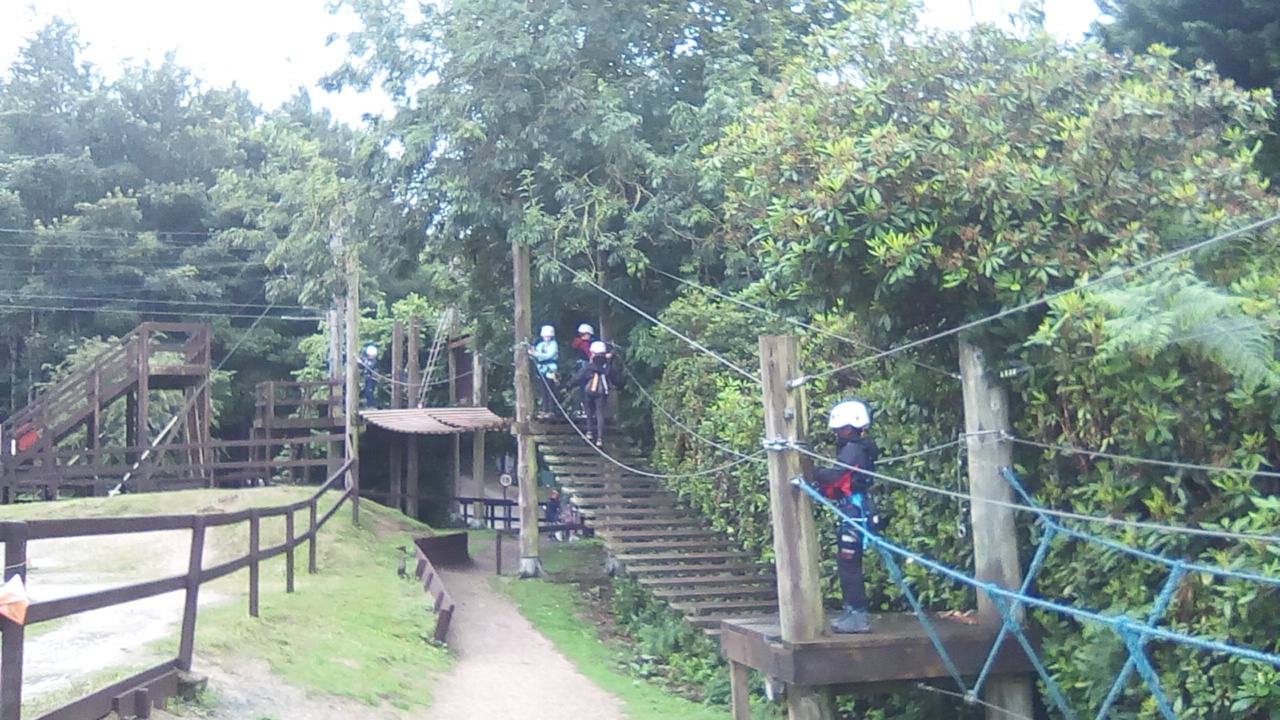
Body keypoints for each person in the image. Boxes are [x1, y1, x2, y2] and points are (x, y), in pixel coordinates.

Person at [811, 399, 880, 634]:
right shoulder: (860, 448)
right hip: (855, 509)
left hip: (855, 512)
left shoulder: (853, 449)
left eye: (840, 429)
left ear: (849, 428)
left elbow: (836, 476)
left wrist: (811, 470)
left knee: (849, 564)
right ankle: (852, 611)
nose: (837, 433)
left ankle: (858, 615)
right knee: (848, 563)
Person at [570, 340, 614, 446]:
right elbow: (614, 378)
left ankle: (589, 432)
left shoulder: (588, 365)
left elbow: (578, 377)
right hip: (602, 390)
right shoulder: (607, 366)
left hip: (589, 390)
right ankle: (600, 439)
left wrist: (569, 385)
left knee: (589, 411)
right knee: (600, 413)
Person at [528, 324, 559, 418]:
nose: (547, 338)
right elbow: (536, 355)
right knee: (544, 391)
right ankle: (545, 410)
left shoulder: (553, 345)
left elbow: (549, 355)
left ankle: (551, 410)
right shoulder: (540, 345)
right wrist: (532, 353)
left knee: (550, 391)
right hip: (542, 370)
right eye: (545, 336)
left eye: (549, 336)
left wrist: (536, 354)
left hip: (551, 369)